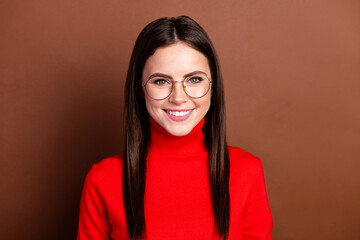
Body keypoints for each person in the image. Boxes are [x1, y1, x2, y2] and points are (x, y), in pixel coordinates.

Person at [77, 16, 273, 240]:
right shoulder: (102, 179)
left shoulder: (248, 172)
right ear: (140, 89)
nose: (178, 98)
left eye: (194, 79)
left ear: (213, 86)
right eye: (161, 81)